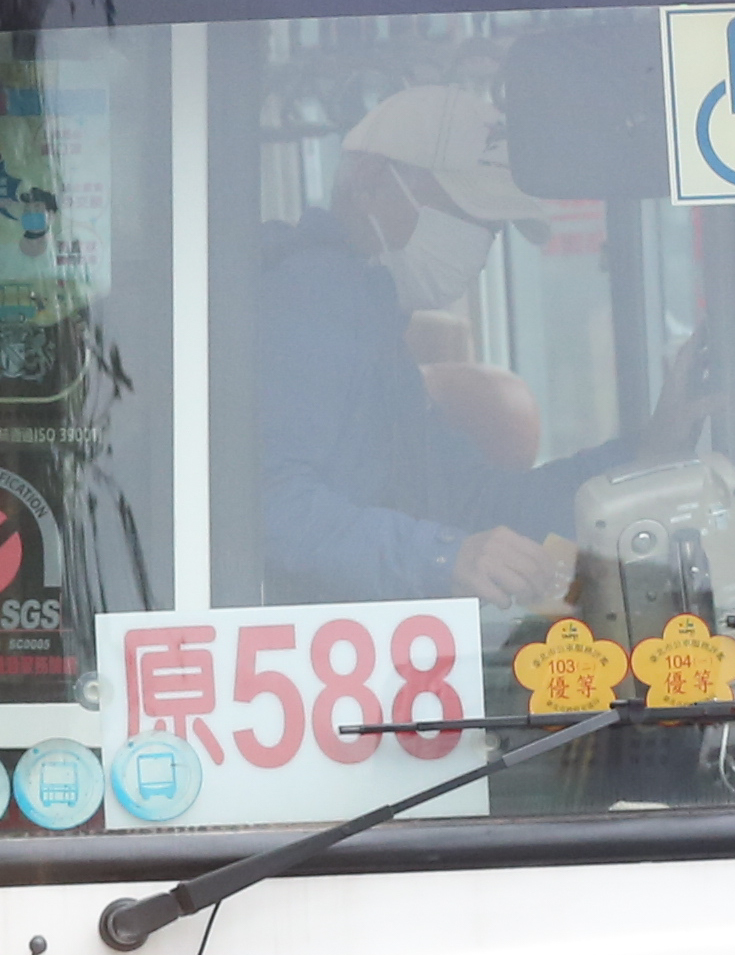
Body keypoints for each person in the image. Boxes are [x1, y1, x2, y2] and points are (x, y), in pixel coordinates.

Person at [255, 78, 600, 612]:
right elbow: (267, 504)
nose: (481, 242)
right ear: (369, 179)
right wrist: (442, 558)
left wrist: (645, 452)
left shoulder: (372, 318)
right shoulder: (309, 299)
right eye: (466, 213)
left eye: (493, 228)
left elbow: (465, 497)